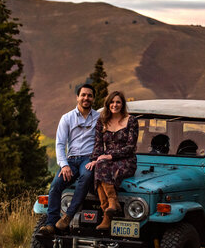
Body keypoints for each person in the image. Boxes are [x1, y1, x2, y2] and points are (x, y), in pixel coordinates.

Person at [40, 83, 100, 234]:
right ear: (77, 97)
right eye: (83, 95)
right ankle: (51, 223)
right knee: (55, 185)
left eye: (89, 95)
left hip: (88, 159)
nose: (86, 98)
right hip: (71, 160)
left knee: (86, 176)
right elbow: (60, 144)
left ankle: (68, 215)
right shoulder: (67, 118)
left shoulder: (99, 118)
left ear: (93, 99)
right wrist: (64, 165)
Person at [86, 91, 139, 230]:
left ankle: (107, 215)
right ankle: (111, 204)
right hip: (106, 162)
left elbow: (130, 147)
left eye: (118, 102)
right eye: (112, 102)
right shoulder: (102, 121)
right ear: (108, 104)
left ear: (122, 104)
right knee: (98, 166)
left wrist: (110, 156)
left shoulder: (131, 120)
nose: (114, 105)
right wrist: (94, 159)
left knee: (101, 168)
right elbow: (97, 145)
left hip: (126, 160)